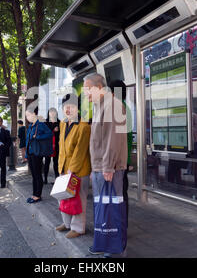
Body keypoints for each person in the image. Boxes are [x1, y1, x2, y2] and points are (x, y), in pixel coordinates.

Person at [84, 73, 128, 257]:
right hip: (100, 166)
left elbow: (113, 139)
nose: (85, 93)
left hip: (107, 168)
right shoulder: (101, 105)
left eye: (88, 89)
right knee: (103, 207)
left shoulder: (113, 105)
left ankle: (113, 249)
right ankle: (103, 244)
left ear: (100, 88)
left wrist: (108, 167)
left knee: (111, 208)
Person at [55, 94, 91, 239]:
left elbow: (80, 151)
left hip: (79, 170)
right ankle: (67, 223)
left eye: (71, 106)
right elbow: (61, 146)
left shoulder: (84, 126)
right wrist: (61, 167)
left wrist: (72, 170)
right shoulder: (63, 123)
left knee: (79, 199)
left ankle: (78, 228)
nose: (67, 110)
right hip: (63, 168)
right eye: (65, 107)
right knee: (63, 197)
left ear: (77, 108)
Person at [108, 80, 132, 226]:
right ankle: (121, 224)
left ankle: (120, 226)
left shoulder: (118, 109)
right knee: (121, 192)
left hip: (119, 159)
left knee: (119, 194)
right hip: (123, 157)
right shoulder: (124, 108)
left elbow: (115, 138)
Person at [25, 106, 52, 203]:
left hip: (37, 153)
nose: (27, 117)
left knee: (37, 175)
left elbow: (50, 134)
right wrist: (26, 154)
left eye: (28, 115)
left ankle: (38, 195)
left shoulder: (40, 124)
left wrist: (38, 136)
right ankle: (34, 194)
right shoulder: (30, 126)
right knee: (34, 175)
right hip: (31, 154)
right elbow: (28, 140)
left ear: (34, 114)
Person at [43, 108, 60, 184]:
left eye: (54, 112)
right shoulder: (46, 122)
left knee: (56, 163)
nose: (52, 114)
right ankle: (45, 179)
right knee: (47, 162)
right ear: (48, 114)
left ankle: (56, 179)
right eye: (51, 112)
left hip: (57, 145)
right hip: (48, 145)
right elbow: (44, 132)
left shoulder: (59, 122)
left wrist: (58, 130)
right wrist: (53, 130)